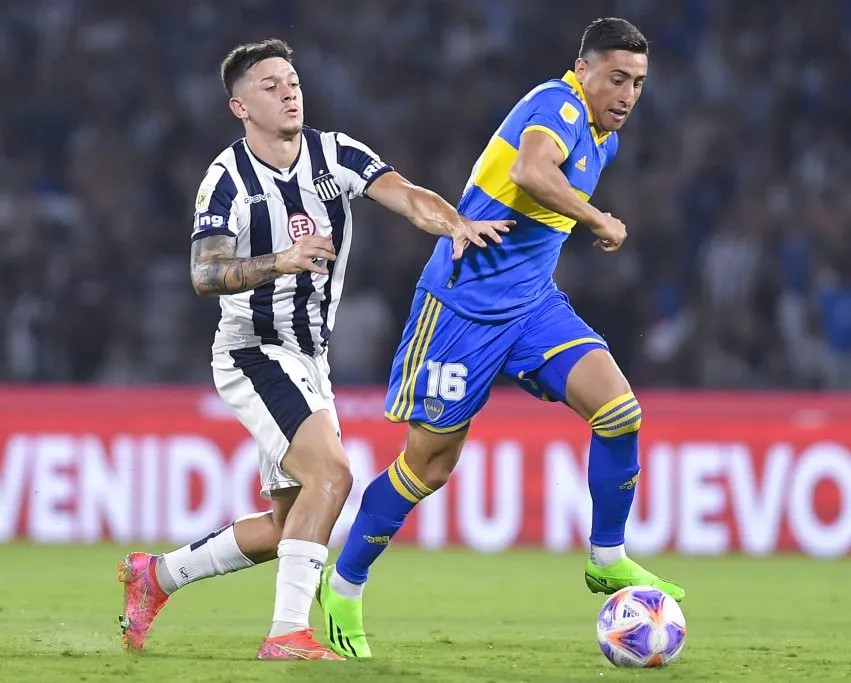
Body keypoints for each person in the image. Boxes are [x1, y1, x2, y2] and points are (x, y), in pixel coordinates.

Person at [116, 38, 510, 661]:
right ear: (240, 107)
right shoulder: (226, 179)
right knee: (334, 474)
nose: (288, 92)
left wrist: (455, 221)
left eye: (292, 81)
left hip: (310, 356)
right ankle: (286, 636)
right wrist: (283, 261)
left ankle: (155, 576)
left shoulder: (335, 153)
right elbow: (204, 273)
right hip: (254, 350)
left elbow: (407, 195)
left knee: (288, 525)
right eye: (270, 86)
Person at [318, 18, 684, 659]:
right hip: (460, 310)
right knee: (428, 466)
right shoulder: (557, 103)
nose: (628, 94)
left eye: (639, 84)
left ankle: (607, 558)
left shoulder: (604, 136)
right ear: (584, 68)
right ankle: (343, 585)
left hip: (532, 308)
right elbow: (533, 169)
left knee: (620, 412)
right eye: (618, 78)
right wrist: (598, 217)